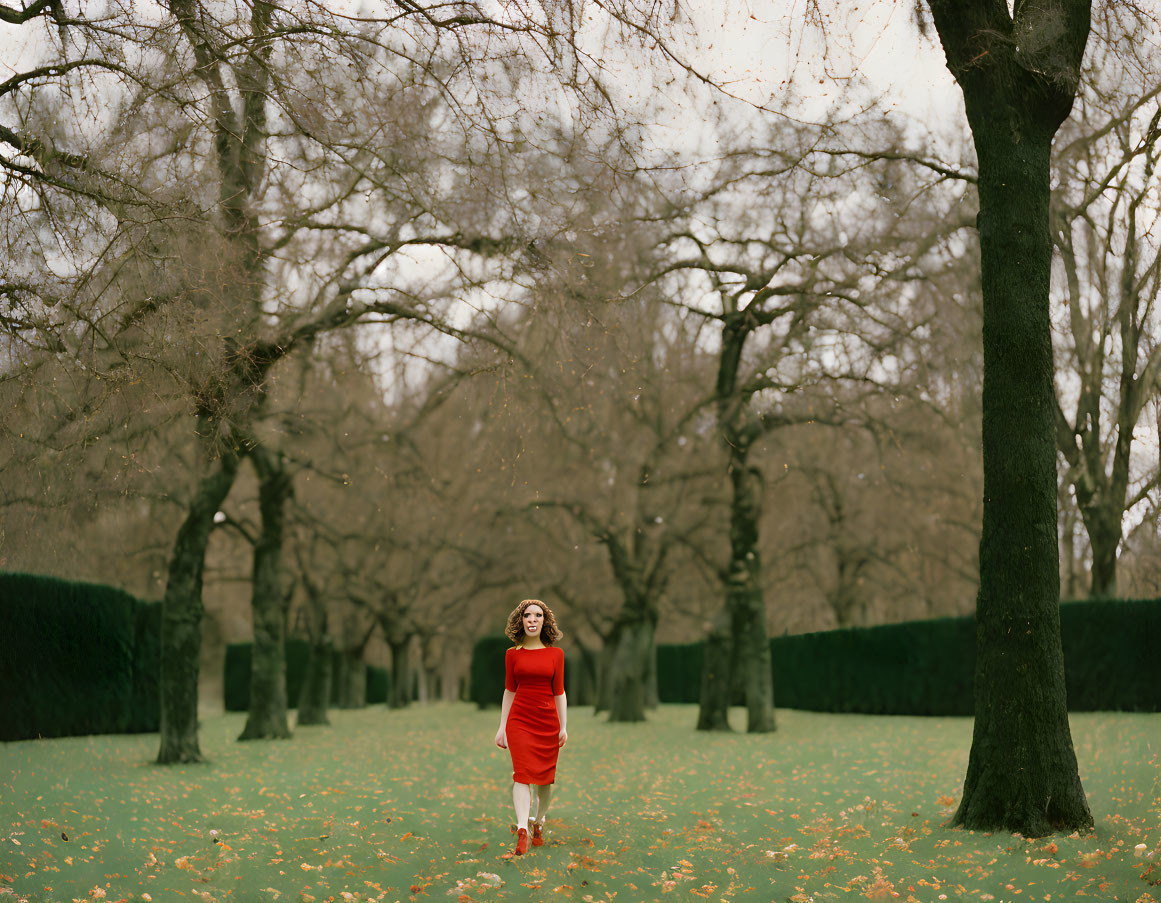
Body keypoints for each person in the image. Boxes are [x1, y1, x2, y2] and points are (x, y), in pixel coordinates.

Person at [493, 598, 567, 856]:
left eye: (537, 615)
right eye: (527, 615)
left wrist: (563, 727)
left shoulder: (556, 655)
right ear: (520, 621)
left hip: (547, 722)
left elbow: (559, 692)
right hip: (520, 721)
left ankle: (539, 821)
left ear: (544, 622)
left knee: (544, 780)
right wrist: (502, 726)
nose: (532, 620)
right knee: (522, 775)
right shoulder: (512, 655)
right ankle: (522, 829)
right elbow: (509, 691)